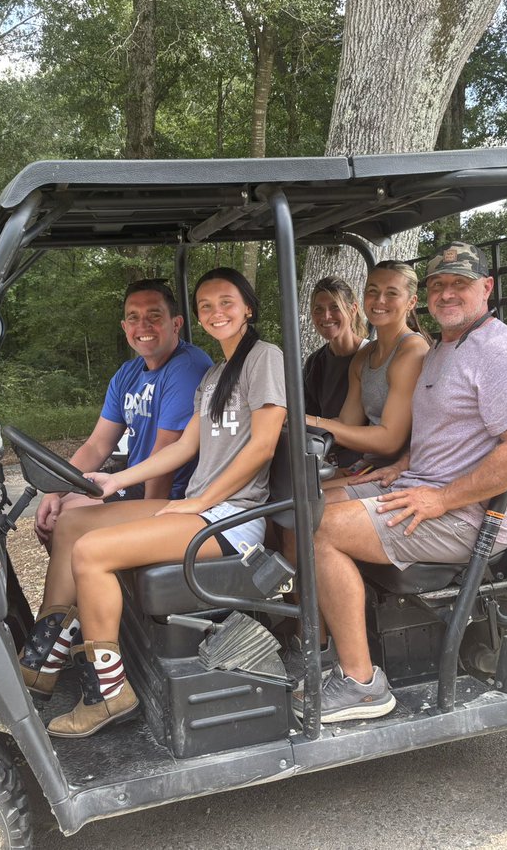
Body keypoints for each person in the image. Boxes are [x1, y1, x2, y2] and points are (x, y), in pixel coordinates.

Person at [298, 243, 507, 723]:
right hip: (420, 488)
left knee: (320, 528)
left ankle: (361, 684)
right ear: (427, 296)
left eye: (460, 283)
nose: (447, 293)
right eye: (439, 285)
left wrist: (442, 498)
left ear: (487, 289)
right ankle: (325, 645)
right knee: (300, 502)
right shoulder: (443, 349)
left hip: (469, 516)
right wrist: (403, 463)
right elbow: (444, 429)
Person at [40, 267, 287, 738]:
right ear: (196, 315)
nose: (217, 313)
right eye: (207, 306)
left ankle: (108, 693)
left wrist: (201, 503)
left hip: (235, 519)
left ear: (248, 308)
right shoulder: (215, 375)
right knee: (76, 528)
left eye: (227, 302)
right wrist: (113, 483)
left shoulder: (264, 358)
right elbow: (180, 449)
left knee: (93, 554)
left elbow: (263, 446)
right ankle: (45, 656)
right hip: (204, 507)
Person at [19, 279, 211, 698]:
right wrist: (54, 490)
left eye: (154, 316)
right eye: (133, 317)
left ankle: (69, 656)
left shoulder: (187, 368)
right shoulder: (129, 374)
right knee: (63, 513)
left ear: (176, 323)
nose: (143, 325)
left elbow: (164, 465)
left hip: (172, 495)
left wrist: (133, 525)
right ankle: (49, 650)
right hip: (134, 484)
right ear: (124, 325)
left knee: (79, 524)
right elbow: (97, 444)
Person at [305, 260, 429, 481]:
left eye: (391, 293)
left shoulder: (412, 351)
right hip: (367, 465)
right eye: (373, 291)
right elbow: (346, 424)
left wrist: (306, 421)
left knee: (306, 508)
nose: (380, 300)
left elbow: (389, 442)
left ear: (411, 302)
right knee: (291, 495)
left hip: (402, 471)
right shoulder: (364, 356)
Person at [303, 276, 368, 468]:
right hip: (324, 456)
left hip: (362, 460)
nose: (326, 316)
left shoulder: (372, 356)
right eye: (319, 309)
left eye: (335, 307)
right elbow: (308, 417)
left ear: (353, 309)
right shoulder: (316, 362)